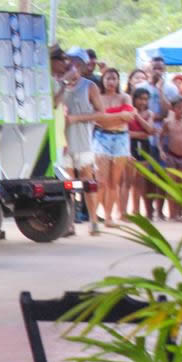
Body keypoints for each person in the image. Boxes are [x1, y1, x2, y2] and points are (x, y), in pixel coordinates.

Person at [54, 48, 104, 235]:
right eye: (69, 60)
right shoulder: (59, 84)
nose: (72, 65)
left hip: (83, 140)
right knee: (67, 184)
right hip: (63, 141)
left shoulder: (89, 86)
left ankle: (93, 220)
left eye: (77, 62)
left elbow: (100, 112)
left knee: (87, 180)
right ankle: (69, 223)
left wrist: (77, 118)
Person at [93, 68, 136, 227]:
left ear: (118, 81)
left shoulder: (125, 97)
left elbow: (129, 117)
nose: (111, 82)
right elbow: (98, 119)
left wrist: (107, 117)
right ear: (103, 80)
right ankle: (94, 218)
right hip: (101, 137)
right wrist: (119, 116)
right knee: (101, 181)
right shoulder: (98, 98)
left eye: (114, 78)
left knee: (114, 181)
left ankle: (108, 217)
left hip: (121, 138)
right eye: (108, 78)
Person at [126, 87, 155, 219]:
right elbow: (125, 132)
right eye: (140, 99)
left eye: (145, 99)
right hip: (130, 146)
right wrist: (140, 134)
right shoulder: (127, 112)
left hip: (144, 147)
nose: (143, 102)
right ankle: (130, 210)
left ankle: (138, 211)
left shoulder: (149, 113)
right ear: (134, 99)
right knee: (129, 180)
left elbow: (150, 129)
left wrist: (137, 116)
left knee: (140, 180)